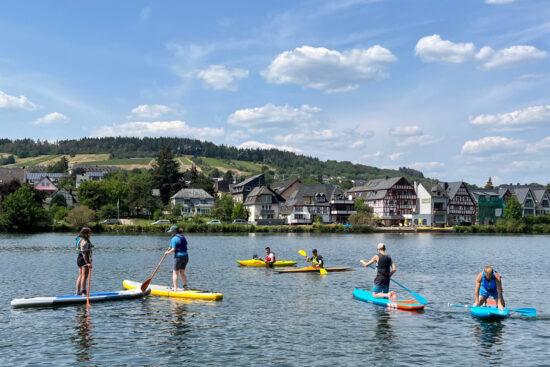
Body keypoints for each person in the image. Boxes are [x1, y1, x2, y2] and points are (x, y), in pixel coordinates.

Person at [165, 225, 189, 291]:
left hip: (179, 257)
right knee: (182, 272)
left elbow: (173, 250)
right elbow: (171, 246)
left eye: (171, 232)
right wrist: (168, 248)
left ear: (175, 231)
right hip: (186, 257)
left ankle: (175, 289)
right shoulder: (183, 237)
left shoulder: (174, 239)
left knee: (175, 273)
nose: (171, 233)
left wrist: (167, 252)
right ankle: (185, 287)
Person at [75, 227, 93, 295]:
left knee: (80, 276)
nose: (90, 234)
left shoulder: (79, 238)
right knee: (84, 277)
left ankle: (78, 292)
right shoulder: (84, 241)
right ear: (86, 233)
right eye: (89, 233)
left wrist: (90, 249)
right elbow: (84, 253)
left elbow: (85, 249)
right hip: (83, 259)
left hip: (79, 259)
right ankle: (84, 293)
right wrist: (87, 263)